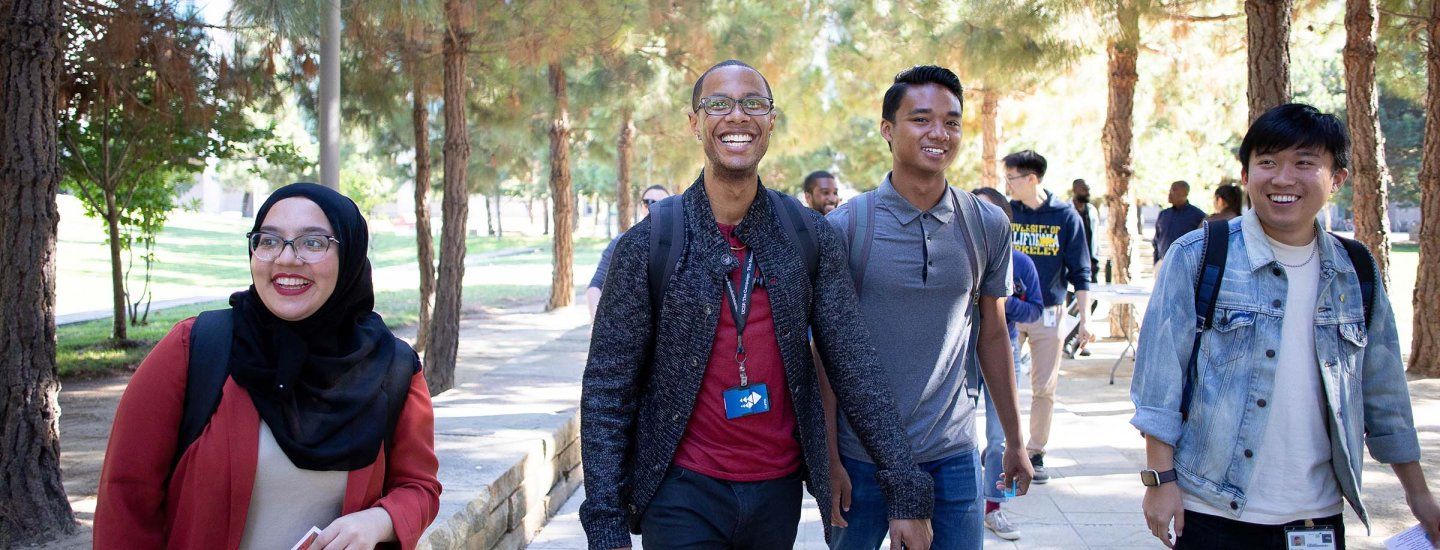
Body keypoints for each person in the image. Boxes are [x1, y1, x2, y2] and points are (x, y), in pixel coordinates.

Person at [580, 60, 934, 550]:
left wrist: (905, 490)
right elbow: (607, 388)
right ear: (694, 122)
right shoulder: (648, 245)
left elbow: (854, 363)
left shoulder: (808, 237)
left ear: (771, 120)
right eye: (718, 104)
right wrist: (605, 524)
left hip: (777, 491)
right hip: (681, 490)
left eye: (754, 104)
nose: (737, 116)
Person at [1131, 103, 1440, 548]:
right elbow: (1159, 383)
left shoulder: (1356, 270)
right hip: (1211, 509)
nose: (1282, 178)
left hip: (1316, 518)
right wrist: (1159, 481)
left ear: (1337, 180)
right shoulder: (1198, 255)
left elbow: (1385, 394)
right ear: (1246, 175)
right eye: (1268, 162)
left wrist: (1419, 494)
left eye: (1304, 163)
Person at [94, 183, 442, 549]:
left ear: (351, 256)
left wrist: (380, 520)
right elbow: (126, 496)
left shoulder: (392, 368)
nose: (286, 259)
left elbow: (419, 488)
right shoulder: (195, 347)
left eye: (313, 242)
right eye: (269, 240)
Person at [821, 65, 1032, 550]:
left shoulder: (987, 224)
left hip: (953, 456)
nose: (939, 133)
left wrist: (1015, 440)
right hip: (861, 459)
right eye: (921, 119)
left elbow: (993, 333)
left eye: (952, 121)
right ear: (888, 130)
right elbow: (825, 353)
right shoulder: (846, 229)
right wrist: (829, 456)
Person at [1004, 149, 1092, 484]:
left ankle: (1036, 450)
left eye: (1012, 178)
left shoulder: (1065, 216)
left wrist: (1085, 319)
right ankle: (1006, 443)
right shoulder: (1007, 212)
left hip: (1049, 314)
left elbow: (1081, 270)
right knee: (1004, 382)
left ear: (1031, 179)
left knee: (1043, 387)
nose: (1007, 185)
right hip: (1009, 311)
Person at [971, 186, 1044, 541]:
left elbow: (1035, 310)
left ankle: (995, 508)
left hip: (1005, 351)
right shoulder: (957, 258)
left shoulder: (1023, 263)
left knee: (1000, 437)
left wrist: (997, 302)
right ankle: (961, 506)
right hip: (961, 353)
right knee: (958, 436)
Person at [587, 184, 671, 319]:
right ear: (641, 207)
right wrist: (595, 323)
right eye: (648, 202)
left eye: (662, 203)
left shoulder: (680, 245)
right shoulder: (621, 242)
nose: (653, 207)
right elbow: (596, 285)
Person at [1153, 180, 1207, 264]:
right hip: (1162, 263)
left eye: (1174, 190)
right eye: (1169, 190)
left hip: (1185, 265)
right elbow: (1156, 240)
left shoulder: (1198, 216)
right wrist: (1156, 262)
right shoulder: (1163, 214)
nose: (1169, 193)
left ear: (1185, 193)